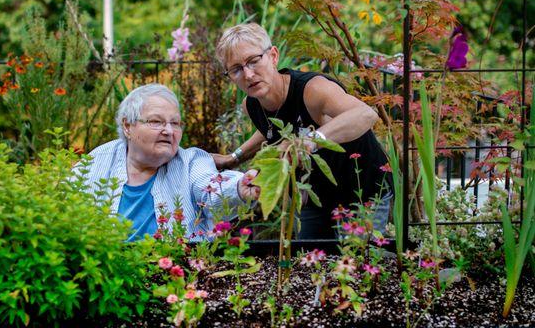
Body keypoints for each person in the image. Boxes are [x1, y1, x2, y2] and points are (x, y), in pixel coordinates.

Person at [212, 23, 392, 239]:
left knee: (356, 265)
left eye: (253, 61)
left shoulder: (312, 90)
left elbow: (365, 114)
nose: (248, 74)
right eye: (236, 69)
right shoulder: (252, 105)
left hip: (363, 191)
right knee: (307, 262)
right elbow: (270, 132)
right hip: (317, 197)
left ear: (273, 56)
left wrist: (310, 140)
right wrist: (233, 158)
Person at [76, 84, 259, 241]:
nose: (169, 131)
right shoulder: (96, 162)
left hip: (176, 278)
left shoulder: (191, 162)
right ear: (127, 126)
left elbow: (212, 190)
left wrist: (239, 188)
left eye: (175, 123)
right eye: (156, 121)